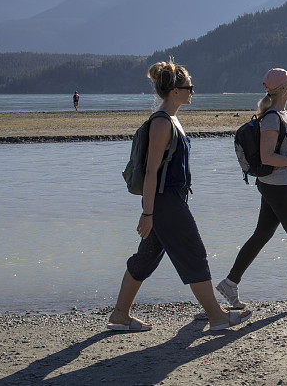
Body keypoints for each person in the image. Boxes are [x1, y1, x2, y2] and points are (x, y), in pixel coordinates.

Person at [107, 59, 251, 331]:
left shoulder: (171, 119)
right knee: (194, 253)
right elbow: (151, 172)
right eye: (189, 87)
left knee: (146, 259)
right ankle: (217, 316)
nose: (192, 91)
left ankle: (119, 315)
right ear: (175, 91)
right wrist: (148, 213)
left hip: (167, 201)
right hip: (165, 202)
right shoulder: (161, 123)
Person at [216, 68, 287, 308]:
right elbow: (267, 156)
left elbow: (285, 152)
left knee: (262, 234)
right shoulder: (271, 118)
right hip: (280, 187)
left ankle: (230, 283)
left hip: (276, 185)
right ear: (281, 89)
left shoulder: (282, 114)